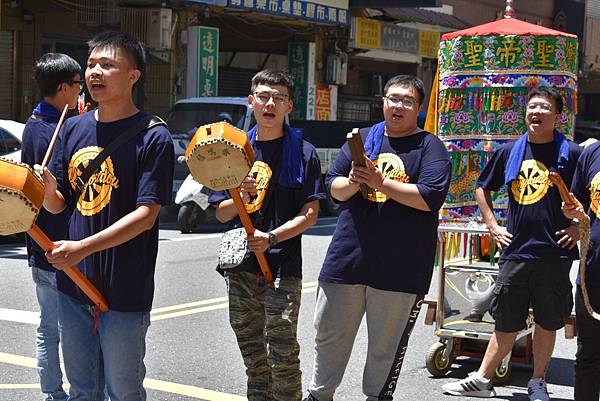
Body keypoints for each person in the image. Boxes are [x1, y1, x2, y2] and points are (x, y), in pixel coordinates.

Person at [38, 31, 174, 401]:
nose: (95, 72)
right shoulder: (74, 127)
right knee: (82, 390)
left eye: (107, 65)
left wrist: (82, 247)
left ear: (134, 76)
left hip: (124, 286)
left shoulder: (153, 136)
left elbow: (146, 215)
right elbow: (60, 204)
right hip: (73, 283)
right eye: (91, 65)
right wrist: (48, 189)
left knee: (123, 392)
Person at [304, 75, 452, 401]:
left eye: (407, 101)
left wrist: (380, 182)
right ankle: (318, 395)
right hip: (346, 259)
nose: (398, 106)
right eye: (392, 98)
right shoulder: (364, 138)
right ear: (383, 102)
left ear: (419, 108)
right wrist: (359, 181)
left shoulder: (430, 146)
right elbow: (334, 188)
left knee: (384, 351)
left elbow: (429, 197)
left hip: (400, 269)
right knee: (327, 335)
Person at [442, 86, 582, 401]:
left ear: (557, 116)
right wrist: (492, 225)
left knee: (548, 321)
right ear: (525, 113)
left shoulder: (572, 154)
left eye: (545, 107)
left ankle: (537, 381)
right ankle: (482, 380)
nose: (537, 112)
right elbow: (482, 187)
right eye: (532, 106)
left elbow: (589, 192)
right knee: (506, 319)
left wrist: (576, 226)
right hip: (516, 251)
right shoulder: (509, 151)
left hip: (555, 253)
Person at [209, 69, 325, 401]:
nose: (270, 103)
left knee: (283, 353)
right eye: (263, 96)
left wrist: (271, 237)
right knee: (253, 355)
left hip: (283, 267)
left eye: (279, 97)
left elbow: (310, 214)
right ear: (251, 101)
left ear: (289, 106)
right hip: (242, 268)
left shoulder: (303, 152)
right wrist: (238, 197)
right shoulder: (232, 151)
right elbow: (220, 212)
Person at [21, 52, 82, 401]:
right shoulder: (54, 131)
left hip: (37, 240)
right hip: (57, 243)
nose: (80, 92)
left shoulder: (34, 123)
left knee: (48, 325)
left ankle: (52, 394)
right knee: (63, 327)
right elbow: (57, 195)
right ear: (63, 88)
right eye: (77, 86)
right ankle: (66, 394)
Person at [562, 140, 600, 401]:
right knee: (588, 354)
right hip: (593, 273)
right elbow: (579, 205)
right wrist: (572, 213)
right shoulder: (593, 153)